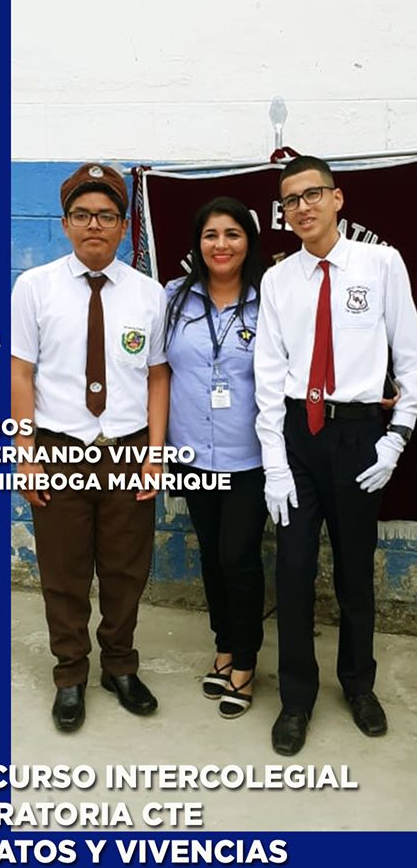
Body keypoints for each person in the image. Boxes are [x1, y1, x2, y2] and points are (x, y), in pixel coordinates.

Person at [254, 154, 417, 755]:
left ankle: (359, 683)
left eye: (312, 194)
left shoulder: (381, 264)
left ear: (337, 198)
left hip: (357, 435)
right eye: (291, 200)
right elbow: (268, 375)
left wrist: (397, 436)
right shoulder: (277, 280)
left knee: (354, 571)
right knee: (293, 570)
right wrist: (275, 462)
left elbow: (410, 355)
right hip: (299, 434)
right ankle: (296, 698)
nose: (302, 208)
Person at [11, 163, 169, 732]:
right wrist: (26, 453)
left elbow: (157, 377)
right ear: (65, 224)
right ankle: (70, 674)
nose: (93, 225)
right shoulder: (35, 287)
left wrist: (155, 453)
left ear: (124, 226)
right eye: (82, 215)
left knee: (126, 570)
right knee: (64, 571)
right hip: (58, 449)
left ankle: (120, 666)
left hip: (127, 450)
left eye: (105, 215)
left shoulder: (149, 294)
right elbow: (21, 374)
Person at [165, 197, 267, 719]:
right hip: (191, 453)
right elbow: (155, 370)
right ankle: (224, 646)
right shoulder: (173, 299)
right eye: (211, 235)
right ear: (197, 243)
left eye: (232, 234)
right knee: (210, 554)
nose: (221, 244)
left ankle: (246, 662)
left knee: (238, 557)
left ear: (248, 241)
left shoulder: (268, 301)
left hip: (248, 457)